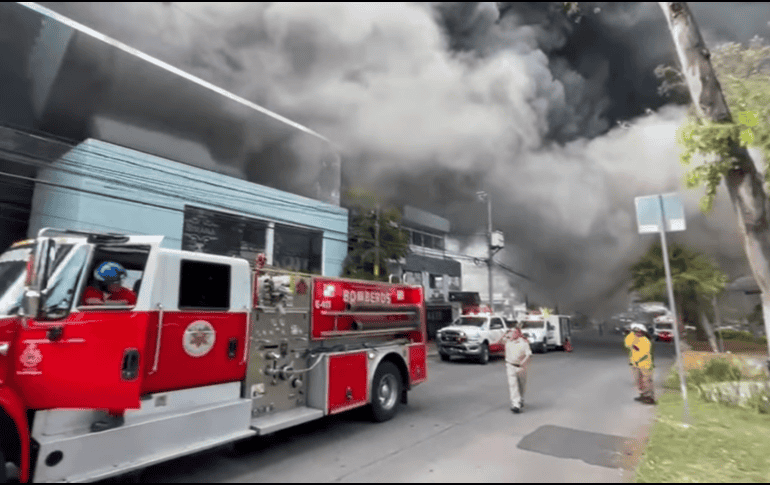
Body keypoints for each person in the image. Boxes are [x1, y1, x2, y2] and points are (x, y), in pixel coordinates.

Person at [503, 323, 532, 414]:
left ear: (519, 333)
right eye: (512, 332)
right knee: (513, 385)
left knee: (521, 385)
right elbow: (497, 341)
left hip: (521, 367)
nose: (513, 334)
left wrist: (524, 362)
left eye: (515, 332)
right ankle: (516, 404)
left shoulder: (523, 343)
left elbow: (528, 354)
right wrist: (505, 334)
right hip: (510, 366)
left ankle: (521, 399)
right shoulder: (508, 341)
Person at [625, 322, 656, 404]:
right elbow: (627, 344)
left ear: (643, 332)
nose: (637, 333)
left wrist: (637, 361)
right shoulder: (633, 338)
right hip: (635, 364)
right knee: (639, 381)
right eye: (635, 331)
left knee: (646, 381)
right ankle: (642, 395)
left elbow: (644, 353)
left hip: (645, 364)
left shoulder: (646, 341)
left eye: (638, 331)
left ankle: (649, 397)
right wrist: (632, 332)